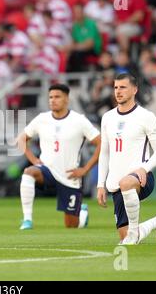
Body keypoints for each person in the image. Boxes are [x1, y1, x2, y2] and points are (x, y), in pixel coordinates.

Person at [97, 73, 156, 245]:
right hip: (116, 183)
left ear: (135, 90)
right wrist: (101, 184)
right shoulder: (107, 117)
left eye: (123, 87)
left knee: (127, 183)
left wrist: (144, 168)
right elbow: (104, 152)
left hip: (141, 178)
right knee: (125, 236)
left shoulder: (146, 116)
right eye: (115, 87)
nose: (118, 91)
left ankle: (133, 234)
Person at [17, 84, 101, 230]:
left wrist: (85, 169)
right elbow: (21, 139)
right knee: (29, 172)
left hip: (69, 176)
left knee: (71, 225)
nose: (53, 100)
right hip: (47, 171)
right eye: (50, 97)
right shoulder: (42, 119)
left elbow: (101, 143)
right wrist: (34, 160)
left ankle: (82, 214)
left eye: (57, 97)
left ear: (66, 99)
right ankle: (27, 220)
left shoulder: (79, 120)